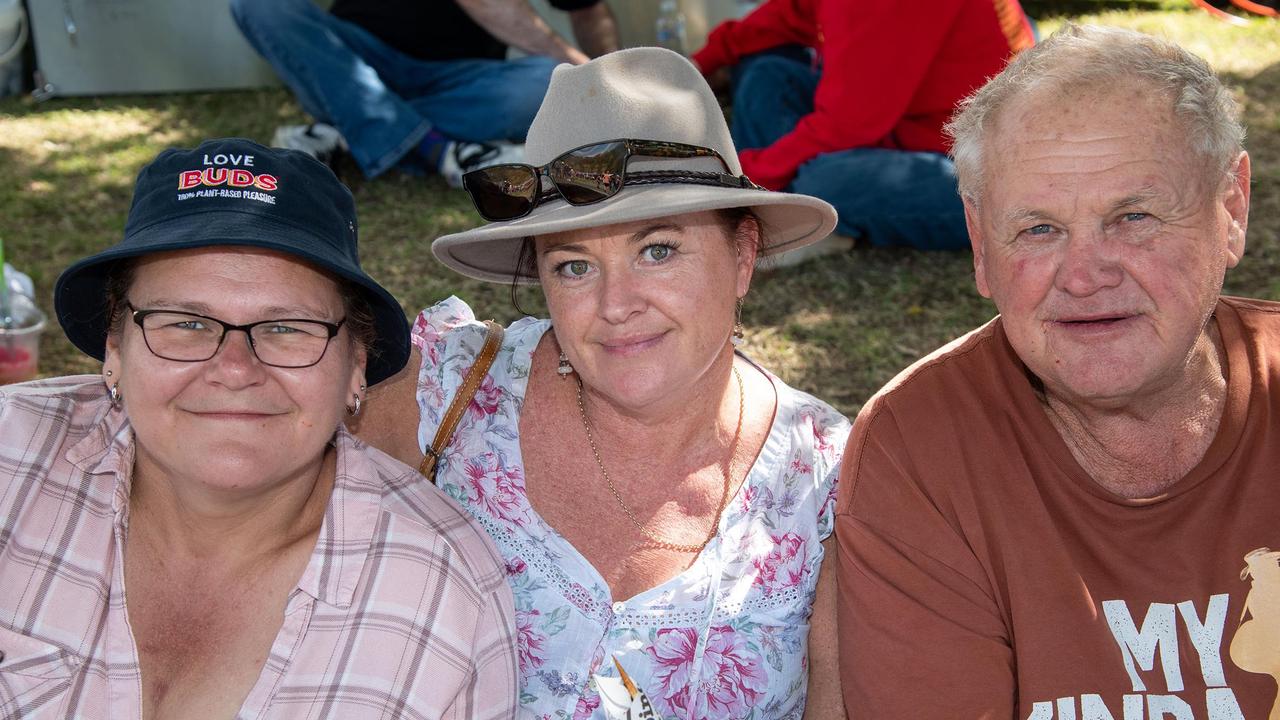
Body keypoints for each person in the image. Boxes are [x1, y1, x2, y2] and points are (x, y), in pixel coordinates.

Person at [351, 47, 852, 719]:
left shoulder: (823, 484)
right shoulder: (450, 398)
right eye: (574, 266)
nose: (617, 305)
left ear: (743, 255)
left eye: (658, 250)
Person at [0, 138, 518, 718]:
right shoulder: (9, 461)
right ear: (114, 349)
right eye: (188, 323)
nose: (235, 370)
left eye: (287, 328)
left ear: (356, 366)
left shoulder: (441, 601)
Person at [836, 25, 1265, 718]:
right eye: (1039, 228)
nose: (1086, 275)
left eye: (1134, 216)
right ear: (980, 243)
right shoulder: (922, 448)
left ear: (1231, 209)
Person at [690, 0, 1034, 252]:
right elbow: (790, 14)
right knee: (770, 76)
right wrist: (694, 66)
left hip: (983, 168)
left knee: (826, 181)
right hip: (901, 127)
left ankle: (777, 210)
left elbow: (845, 126)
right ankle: (780, 212)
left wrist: (740, 179)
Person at [230, 0, 620, 186]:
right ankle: (436, 149)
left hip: (459, 80)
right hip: (355, 61)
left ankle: (351, 131)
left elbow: (587, 10)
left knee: (547, 80)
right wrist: (588, 79)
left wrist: (609, 82)